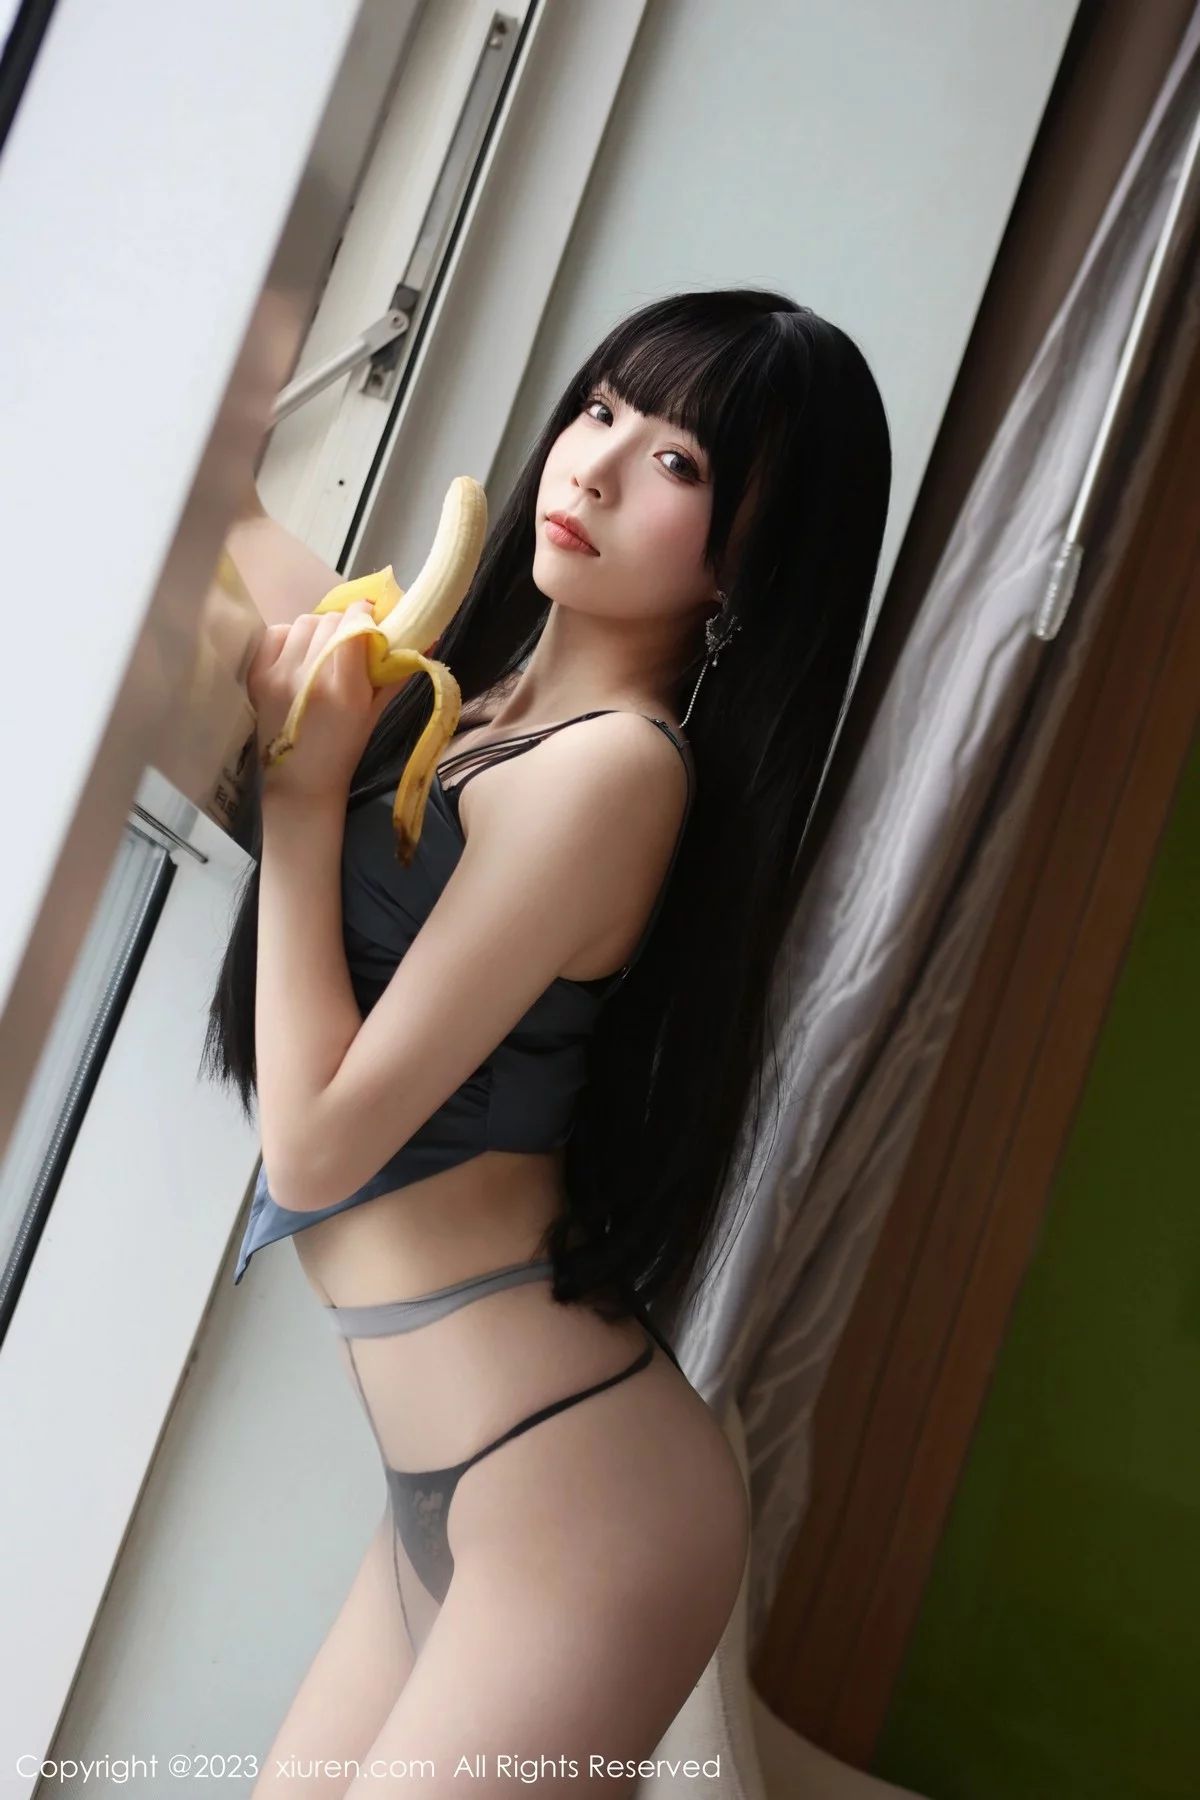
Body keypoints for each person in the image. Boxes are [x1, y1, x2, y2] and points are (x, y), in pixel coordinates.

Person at [205, 287, 891, 1797]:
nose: (597, 465)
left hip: (581, 1509)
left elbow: (314, 1149)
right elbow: (224, 520)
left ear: (750, 563)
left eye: (680, 463)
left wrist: (306, 802)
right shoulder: (476, 703)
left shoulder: (617, 774)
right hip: (462, 1486)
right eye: (601, 408)